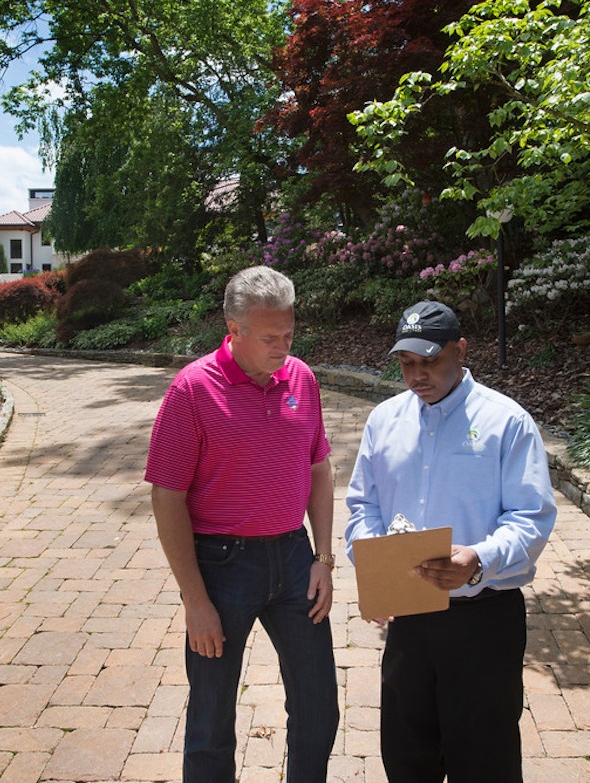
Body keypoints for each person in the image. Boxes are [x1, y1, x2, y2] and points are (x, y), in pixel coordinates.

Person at [345, 300, 557, 783]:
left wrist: (479, 559)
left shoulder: (507, 422)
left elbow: (532, 516)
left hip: (484, 617)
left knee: (484, 758)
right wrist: (375, 566)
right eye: (406, 364)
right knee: (406, 753)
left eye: (430, 361)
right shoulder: (384, 420)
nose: (417, 375)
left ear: (461, 350)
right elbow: (363, 505)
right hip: (409, 619)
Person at [144, 265, 339, 782]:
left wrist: (324, 558)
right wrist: (195, 599)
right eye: (270, 337)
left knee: (319, 706)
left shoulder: (302, 378)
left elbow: (319, 468)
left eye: (289, 333)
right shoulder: (192, 390)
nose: (283, 346)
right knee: (211, 717)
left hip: (296, 559)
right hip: (222, 565)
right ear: (234, 330)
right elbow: (167, 496)